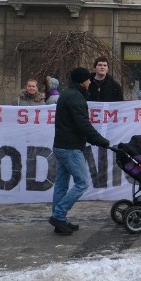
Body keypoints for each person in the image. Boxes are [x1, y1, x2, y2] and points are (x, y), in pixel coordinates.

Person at [49, 67, 111, 235]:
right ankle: (59, 215)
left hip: (61, 146)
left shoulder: (67, 94)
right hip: (71, 148)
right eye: (88, 80)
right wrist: (102, 141)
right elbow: (83, 125)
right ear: (82, 81)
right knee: (82, 182)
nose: (90, 82)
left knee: (61, 185)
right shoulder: (76, 98)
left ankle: (59, 220)